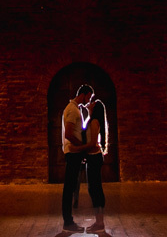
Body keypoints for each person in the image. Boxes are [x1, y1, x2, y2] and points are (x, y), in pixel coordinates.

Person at [61, 84, 94, 230]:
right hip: (73, 153)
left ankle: (69, 221)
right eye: (89, 97)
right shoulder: (73, 110)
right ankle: (68, 222)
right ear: (84, 94)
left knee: (70, 187)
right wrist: (82, 146)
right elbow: (69, 134)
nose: (89, 100)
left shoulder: (74, 109)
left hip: (75, 153)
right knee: (69, 188)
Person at [83, 97, 109, 231]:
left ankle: (100, 222)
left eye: (92, 103)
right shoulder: (91, 120)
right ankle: (99, 221)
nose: (89, 103)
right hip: (93, 157)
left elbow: (93, 143)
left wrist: (82, 151)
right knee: (94, 188)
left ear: (95, 108)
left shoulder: (94, 122)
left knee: (95, 189)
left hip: (93, 157)